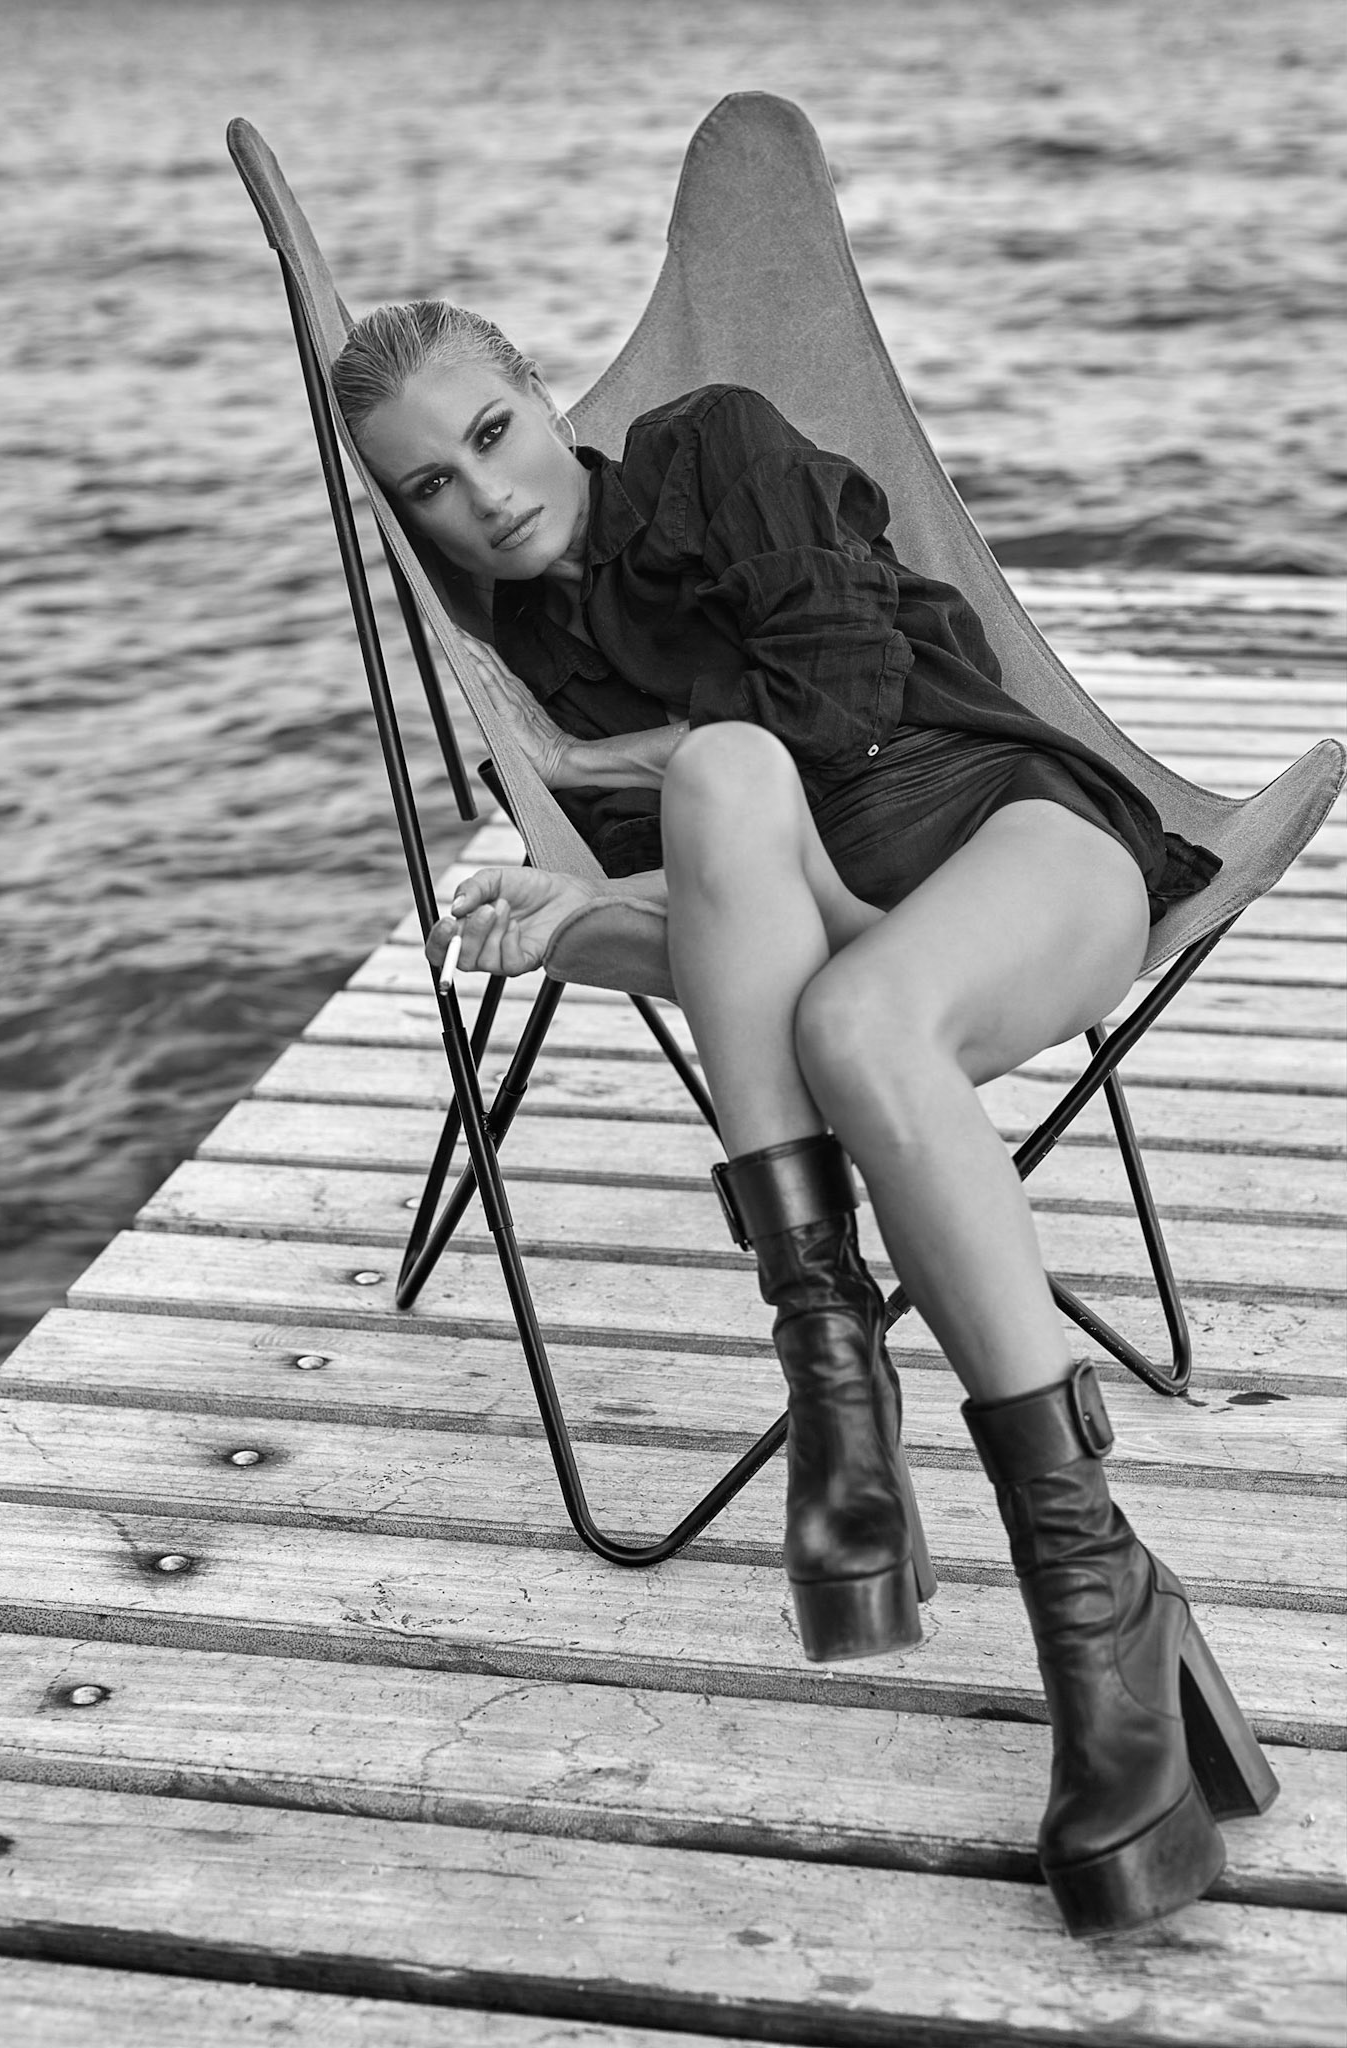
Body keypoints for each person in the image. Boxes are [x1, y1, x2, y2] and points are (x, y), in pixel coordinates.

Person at [331, 300, 1276, 1938]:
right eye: (428, 489)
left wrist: (618, 770)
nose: (482, 499)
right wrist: (591, 910)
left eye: (489, 434)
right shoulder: (524, 653)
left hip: (1005, 834)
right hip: (835, 930)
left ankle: (944, 1478)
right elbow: (725, 935)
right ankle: (1073, 1579)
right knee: (740, 822)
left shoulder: (711, 445)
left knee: (841, 995)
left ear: (543, 396)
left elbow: (835, 704)